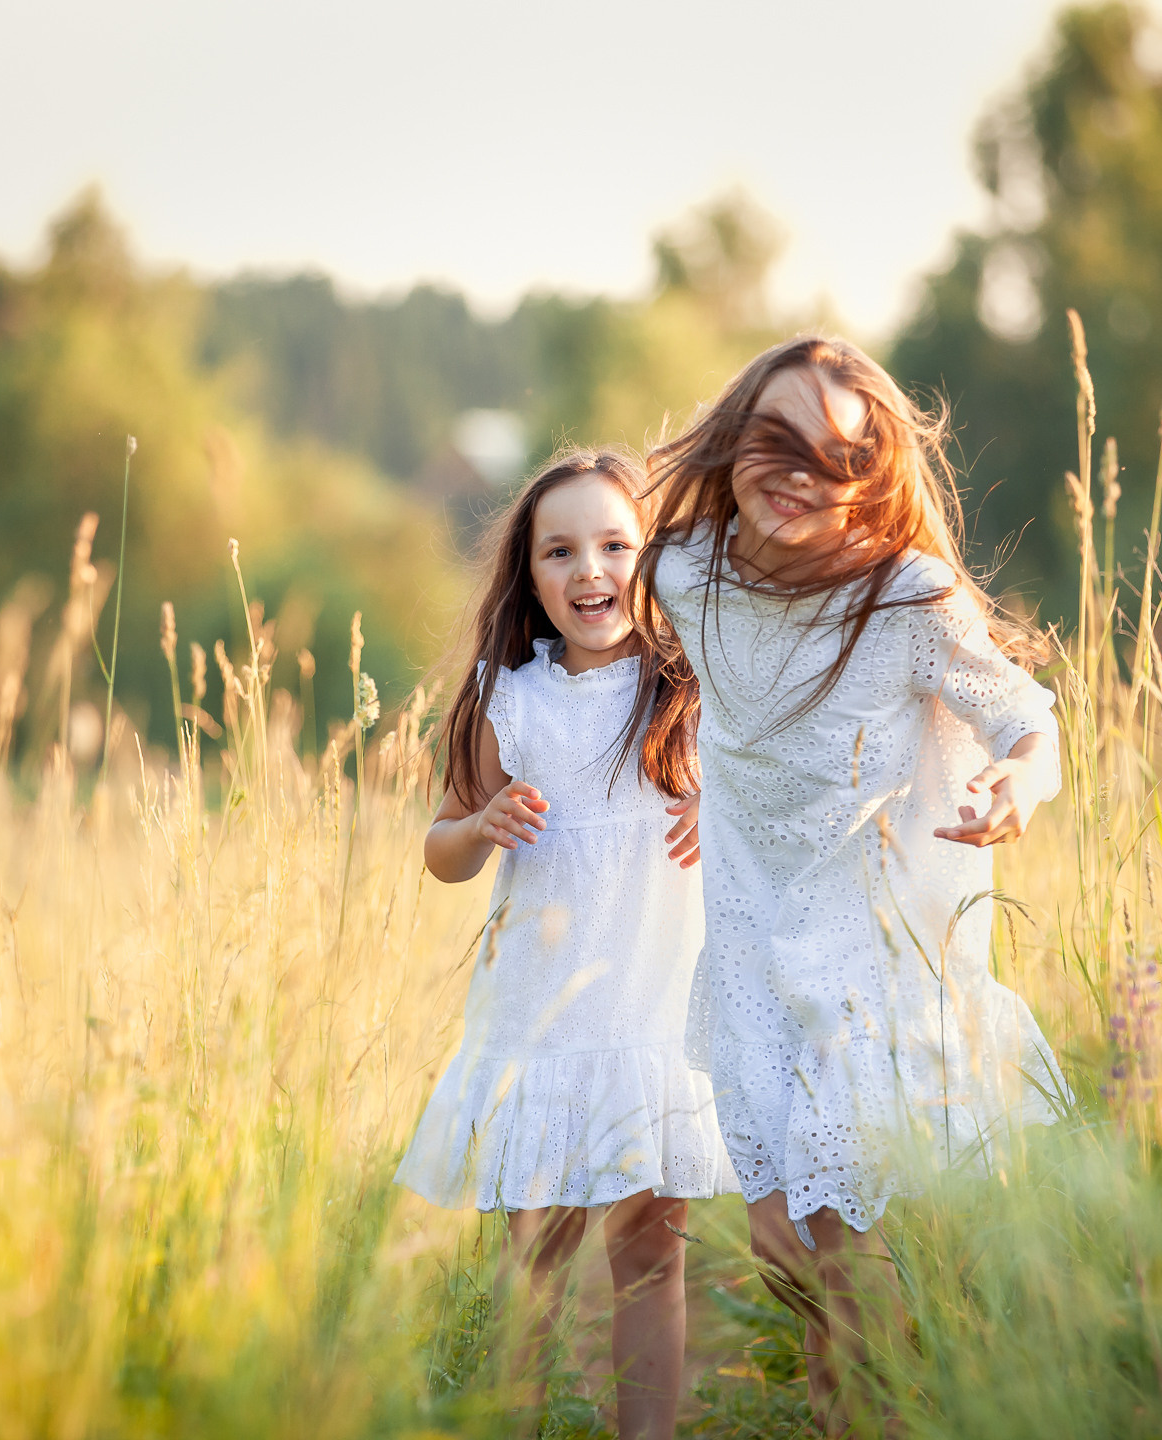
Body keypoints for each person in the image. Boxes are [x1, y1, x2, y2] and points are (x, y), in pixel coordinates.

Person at [634, 335, 1069, 1431]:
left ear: (870, 477)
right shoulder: (686, 573)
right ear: (733, 445)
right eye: (774, 442)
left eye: (835, 456)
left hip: (870, 967)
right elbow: (667, 683)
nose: (797, 473)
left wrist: (1017, 781)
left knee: (843, 1260)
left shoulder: (905, 600)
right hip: (751, 960)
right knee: (794, 1259)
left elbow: (1027, 718)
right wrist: (682, 780)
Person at [395, 447, 730, 1440]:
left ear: (654, 558)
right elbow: (441, 847)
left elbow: (769, 809)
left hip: (651, 1013)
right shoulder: (511, 700)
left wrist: (725, 810)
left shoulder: (693, 692)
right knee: (533, 1260)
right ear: (530, 577)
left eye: (617, 545)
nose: (591, 571)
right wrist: (482, 823)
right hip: (539, 1020)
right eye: (561, 551)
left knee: (651, 1258)